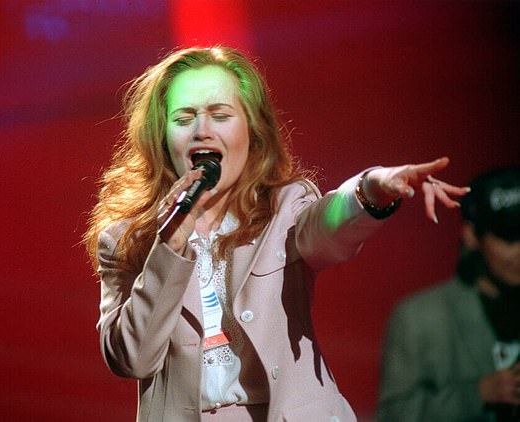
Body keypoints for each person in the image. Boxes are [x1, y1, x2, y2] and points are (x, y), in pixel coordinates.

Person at [83, 46, 468, 422]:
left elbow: (330, 221)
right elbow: (131, 358)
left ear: (251, 129)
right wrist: (171, 243)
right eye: (184, 119)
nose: (202, 131)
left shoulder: (284, 209)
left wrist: (373, 187)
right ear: (162, 137)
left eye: (220, 115)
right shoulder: (126, 239)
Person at [377, 167, 520, 422]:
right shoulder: (419, 318)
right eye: (508, 237)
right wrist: (478, 393)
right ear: (471, 235)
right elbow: (393, 415)